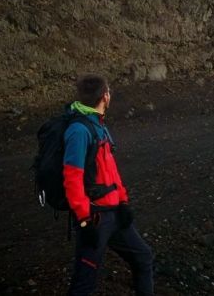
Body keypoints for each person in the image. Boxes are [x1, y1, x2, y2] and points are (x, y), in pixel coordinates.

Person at [64, 74, 154, 295]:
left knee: (143, 257)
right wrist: (84, 222)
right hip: (95, 218)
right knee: (84, 283)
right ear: (105, 96)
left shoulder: (99, 126)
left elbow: (111, 170)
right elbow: (72, 178)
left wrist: (122, 202)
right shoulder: (79, 131)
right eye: (109, 91)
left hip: (114, 213)